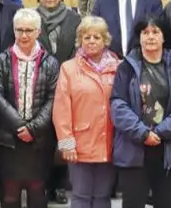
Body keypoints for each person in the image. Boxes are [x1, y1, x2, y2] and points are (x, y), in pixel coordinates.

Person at [111, 14, 171, 208]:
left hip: (168, 148)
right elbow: (117, 104)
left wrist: (159, 132)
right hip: (134, 148)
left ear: (164, 37)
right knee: (132, 203)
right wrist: (143, 133)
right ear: (139, 37)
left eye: (155, 32)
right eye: (145, 32)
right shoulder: (126, 67)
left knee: (166, 203)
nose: (150, 37)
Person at [0, 8, 60, 208]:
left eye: (29, 30)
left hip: (39, 140)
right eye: (19, 30)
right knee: (10, 194)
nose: (23, 35)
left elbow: (53, 98)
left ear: (38, 31)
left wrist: (33, 128)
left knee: (38, 191)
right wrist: (20, 126)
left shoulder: (51, 63)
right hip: (9, 139)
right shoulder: (1, 60)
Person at [53, 16, 121, 208]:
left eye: (97, 37)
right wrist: (67, 142)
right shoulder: (68, 68)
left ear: (105, 40)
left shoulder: (118, 67)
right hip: (79, 145)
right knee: (81, 196)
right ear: (80, 40)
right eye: (87, 37)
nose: (91, 41)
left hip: (110, 142)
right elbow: (61, 108)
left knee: (103, 197)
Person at [34, 0, 81, 204]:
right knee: (42, 141)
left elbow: (78, 50)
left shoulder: (74, 19)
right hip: (38, 87)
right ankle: (42, 185)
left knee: (64, 137)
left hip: (68, 84)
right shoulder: (31, 19)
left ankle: (60, 186)